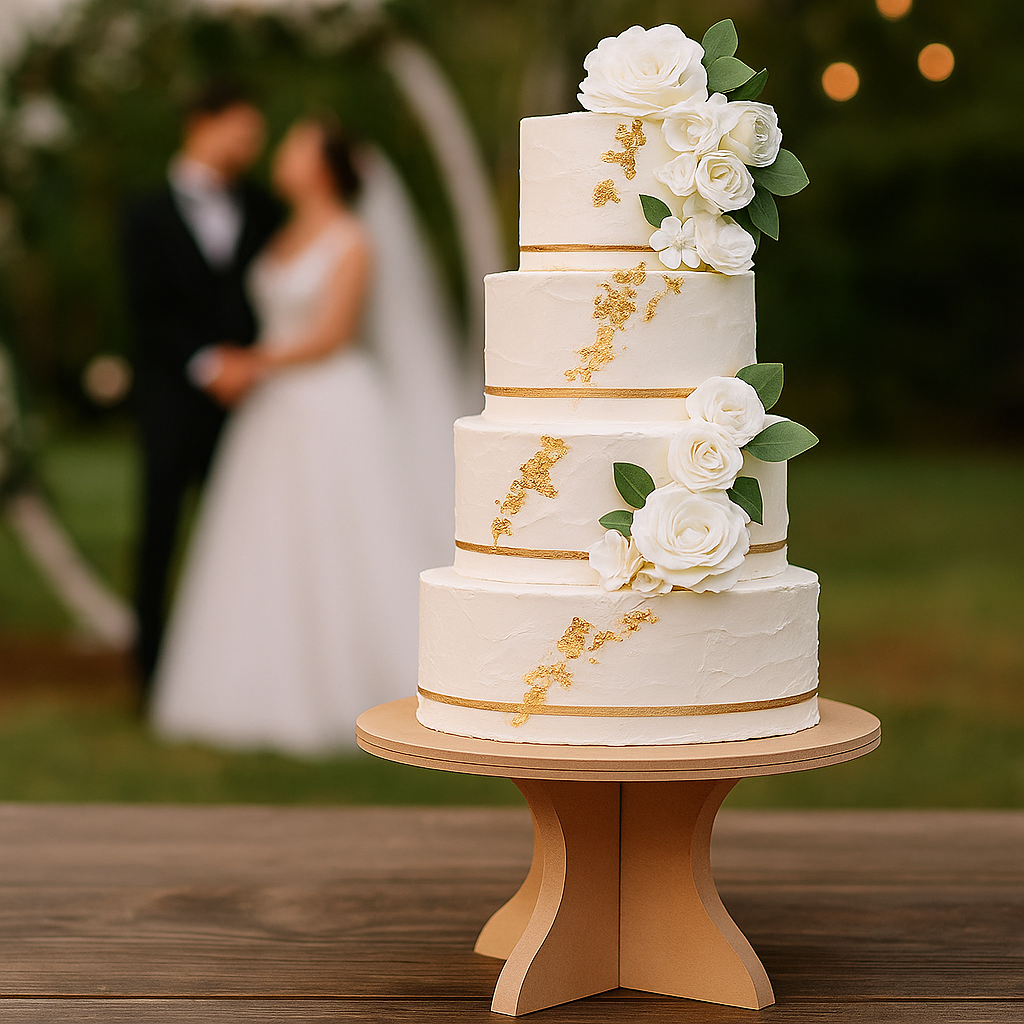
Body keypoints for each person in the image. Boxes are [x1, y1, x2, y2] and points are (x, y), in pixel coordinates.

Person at [150, 119, 436, 755]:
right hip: (274, 409)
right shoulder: (279, 230)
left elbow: (333, 334)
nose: (281, 151)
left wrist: (255, 363)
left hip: (329, 402)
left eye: (296, 145)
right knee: (265, 542)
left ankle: (361, 684)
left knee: (337, 542)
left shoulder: (352, 241)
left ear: (323, 166)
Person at [122, 84, 282, 698]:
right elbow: (145, 310)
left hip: (249, 405)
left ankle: (229, 667)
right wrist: (205, 362)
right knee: (159, 529)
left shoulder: (265, 207)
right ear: (201, 125)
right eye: (241, 132)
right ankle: (150, 671)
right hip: (171, 398)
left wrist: (253, 364)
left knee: (238, 532)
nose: (249, 147)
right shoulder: (144, 213)